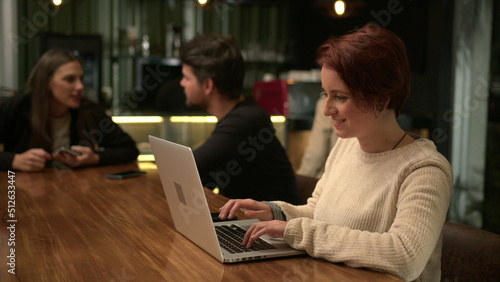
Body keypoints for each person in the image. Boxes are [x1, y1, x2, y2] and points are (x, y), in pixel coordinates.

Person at [219, 24, 452, 281]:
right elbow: (320, 211)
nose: (326, 109)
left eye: (339, 97)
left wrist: (295, 231)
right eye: (325, 94)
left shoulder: (425, 170)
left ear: (381, 100)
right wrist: (276, 212)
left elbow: (403, 255)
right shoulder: (347, 144)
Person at [179, 34, 299, 204]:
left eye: (186, 77)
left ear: (207, 85)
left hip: (273, 228)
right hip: (249, 222)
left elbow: (186, 169)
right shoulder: (242, 116)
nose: (182, 83)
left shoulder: (246, 120)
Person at [0, 48, 139, 172]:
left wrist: (95, 158)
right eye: (70, 79)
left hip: (77, 191)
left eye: (81, 79)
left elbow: (129, 149)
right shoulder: (17, 108)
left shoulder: (90, 110)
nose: (80, 86)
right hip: (21, 192)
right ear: (47, 82)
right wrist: (15, 160)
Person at [296, 95, 338, 179]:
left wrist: (302, 176)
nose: (326, 111)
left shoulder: (326, 102)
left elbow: (316, 152)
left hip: (331, 177)